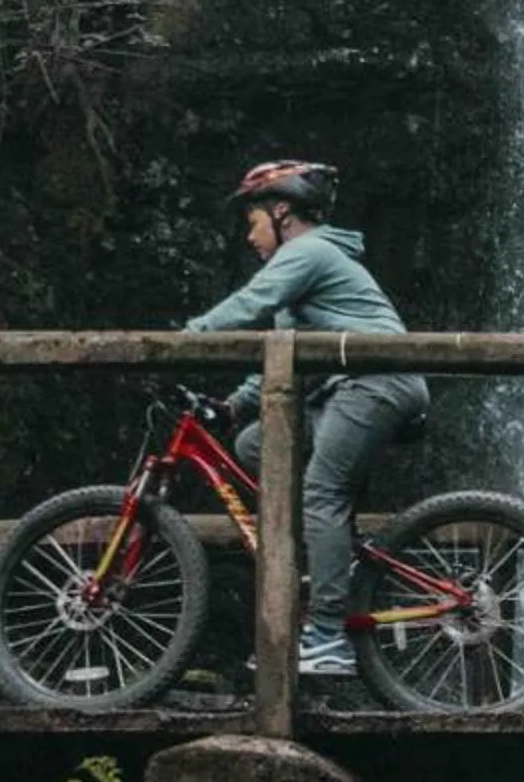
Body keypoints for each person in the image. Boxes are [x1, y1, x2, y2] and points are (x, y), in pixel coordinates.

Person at [183, 160, 429, 679]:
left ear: (282, 211)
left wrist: (188, 336)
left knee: (323, 493)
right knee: (254, 446)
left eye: (252, 222)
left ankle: (327, 638)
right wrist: (235, 406)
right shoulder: (303, 274)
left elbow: (251, 302)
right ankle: (334, 561)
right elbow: (288, 357)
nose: (249, 237)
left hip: (376, 381)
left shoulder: (307, 252)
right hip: (352, 385)